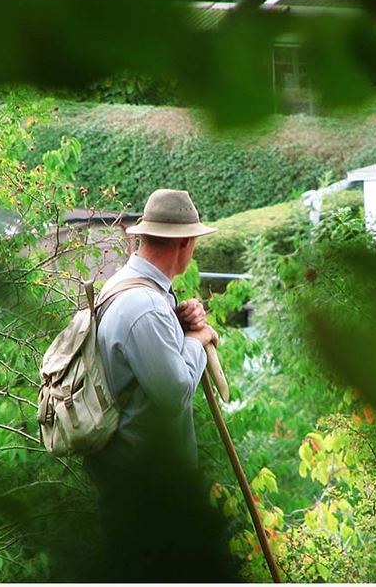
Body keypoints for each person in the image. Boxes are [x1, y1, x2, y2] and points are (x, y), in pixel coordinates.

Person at [83, 189, 236, 581]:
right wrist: (196, 341)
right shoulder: (145, 308)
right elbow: (176, 393)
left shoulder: (127, 286)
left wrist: (180, 323)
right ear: (184, 243)